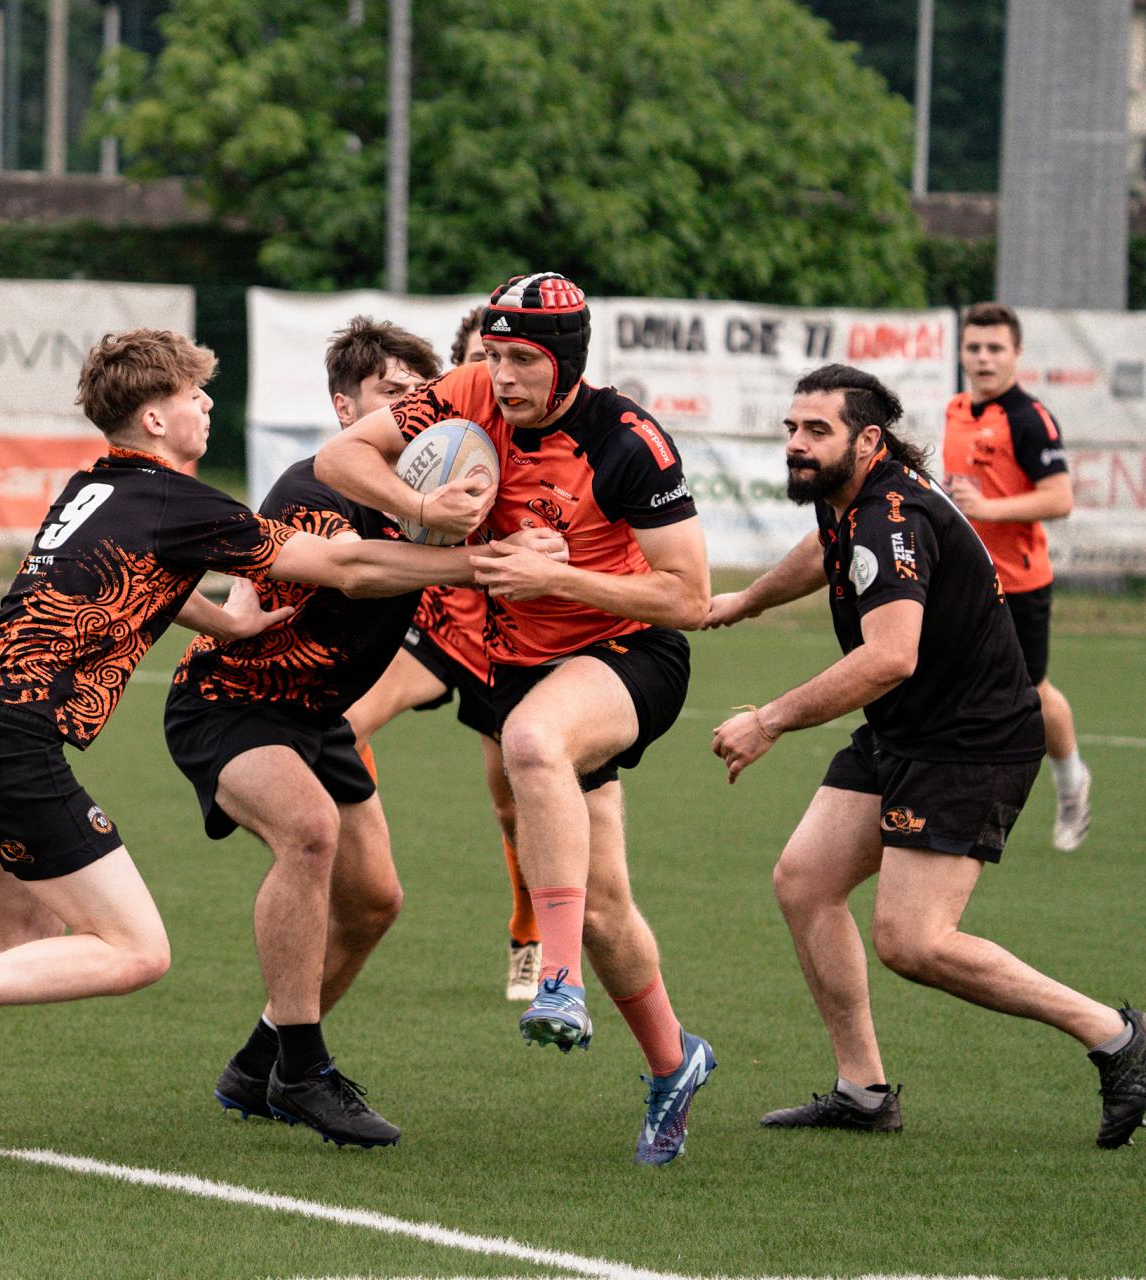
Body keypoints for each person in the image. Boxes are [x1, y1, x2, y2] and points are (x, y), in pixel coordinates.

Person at [0, 328, 480, 1152]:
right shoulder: (185, 503)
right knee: (136, 951)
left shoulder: (98, 486)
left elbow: (142, 571)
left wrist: (226, 622)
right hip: (10, 734)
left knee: (25, 933)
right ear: (157, 419)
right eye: (194, 395)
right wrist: (476, 563)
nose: (207, 404)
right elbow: (347, 568)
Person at [315, 273, 717, 1165]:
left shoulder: (629, 442)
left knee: (535, 743)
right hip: (516, 662)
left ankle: (555, 978)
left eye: (523, 359)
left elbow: (689, 598)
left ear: (566, 362)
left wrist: (557, 576)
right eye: (493, 355)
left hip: (626, 654)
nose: (501, 376)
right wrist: (425, 509)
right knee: (605, 905)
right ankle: (673, 1062)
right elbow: (339, 459)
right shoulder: (467, 393)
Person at [708, 363, 1143, 1148]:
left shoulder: (892, 517)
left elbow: (890, 657)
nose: (797, 444)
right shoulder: (855, 498)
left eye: (817, 431)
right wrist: (746, 600)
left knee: (913, 941)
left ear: (867, 440)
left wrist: (769, 721)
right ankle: (862, 1092)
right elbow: (824, 548)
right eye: (792, 428)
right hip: (908, 730)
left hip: (970, 741)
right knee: (806, 882)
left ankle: (1118, 1037)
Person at [171, 316, 523, 1147]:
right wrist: (479, 559)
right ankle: (304, 1070)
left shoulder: (439, 492)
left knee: (373, 902)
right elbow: (359, 572)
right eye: (389, 395)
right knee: (308, 833)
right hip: (234, 700)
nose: (408, 412)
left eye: (420, 398)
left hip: (316, 717)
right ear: (345, 409)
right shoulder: (312, 489)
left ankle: (257, 1065)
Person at [345, 302, 544, 1002]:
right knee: (342, 722)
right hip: (435, 621)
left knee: (512, 805)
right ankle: (364, 872)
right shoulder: (436, 430)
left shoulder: (539, 441)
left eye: (509, 361)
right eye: (483, 361)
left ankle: (528, 932)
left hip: (508, 636)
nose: (495, 375)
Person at [944, 302, 1089, 850]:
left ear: (1017, 353)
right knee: (953, 686)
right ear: (962, 352)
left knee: (1031, 694)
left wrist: (986, 509)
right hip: (962, 580)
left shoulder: (1029, 419)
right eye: (974, 347)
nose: (983, 358)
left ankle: (1071, 781)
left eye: (995, 348)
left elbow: (1060, 498)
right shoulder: (957, 408)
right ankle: (953, 795)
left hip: (1019, 583)